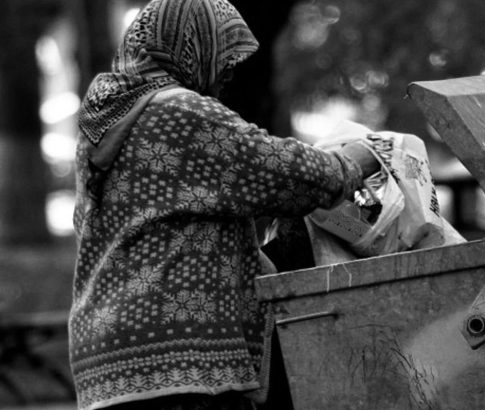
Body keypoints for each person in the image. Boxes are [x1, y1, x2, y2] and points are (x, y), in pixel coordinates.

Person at [70, 0, 379, 409]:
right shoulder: (178, 110)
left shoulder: (108, 116)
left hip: (109, 353)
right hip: (178, 352)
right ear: (190, 47)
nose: (228, 74)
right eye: (224, 58)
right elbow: (285, 173)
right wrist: (356, 161)